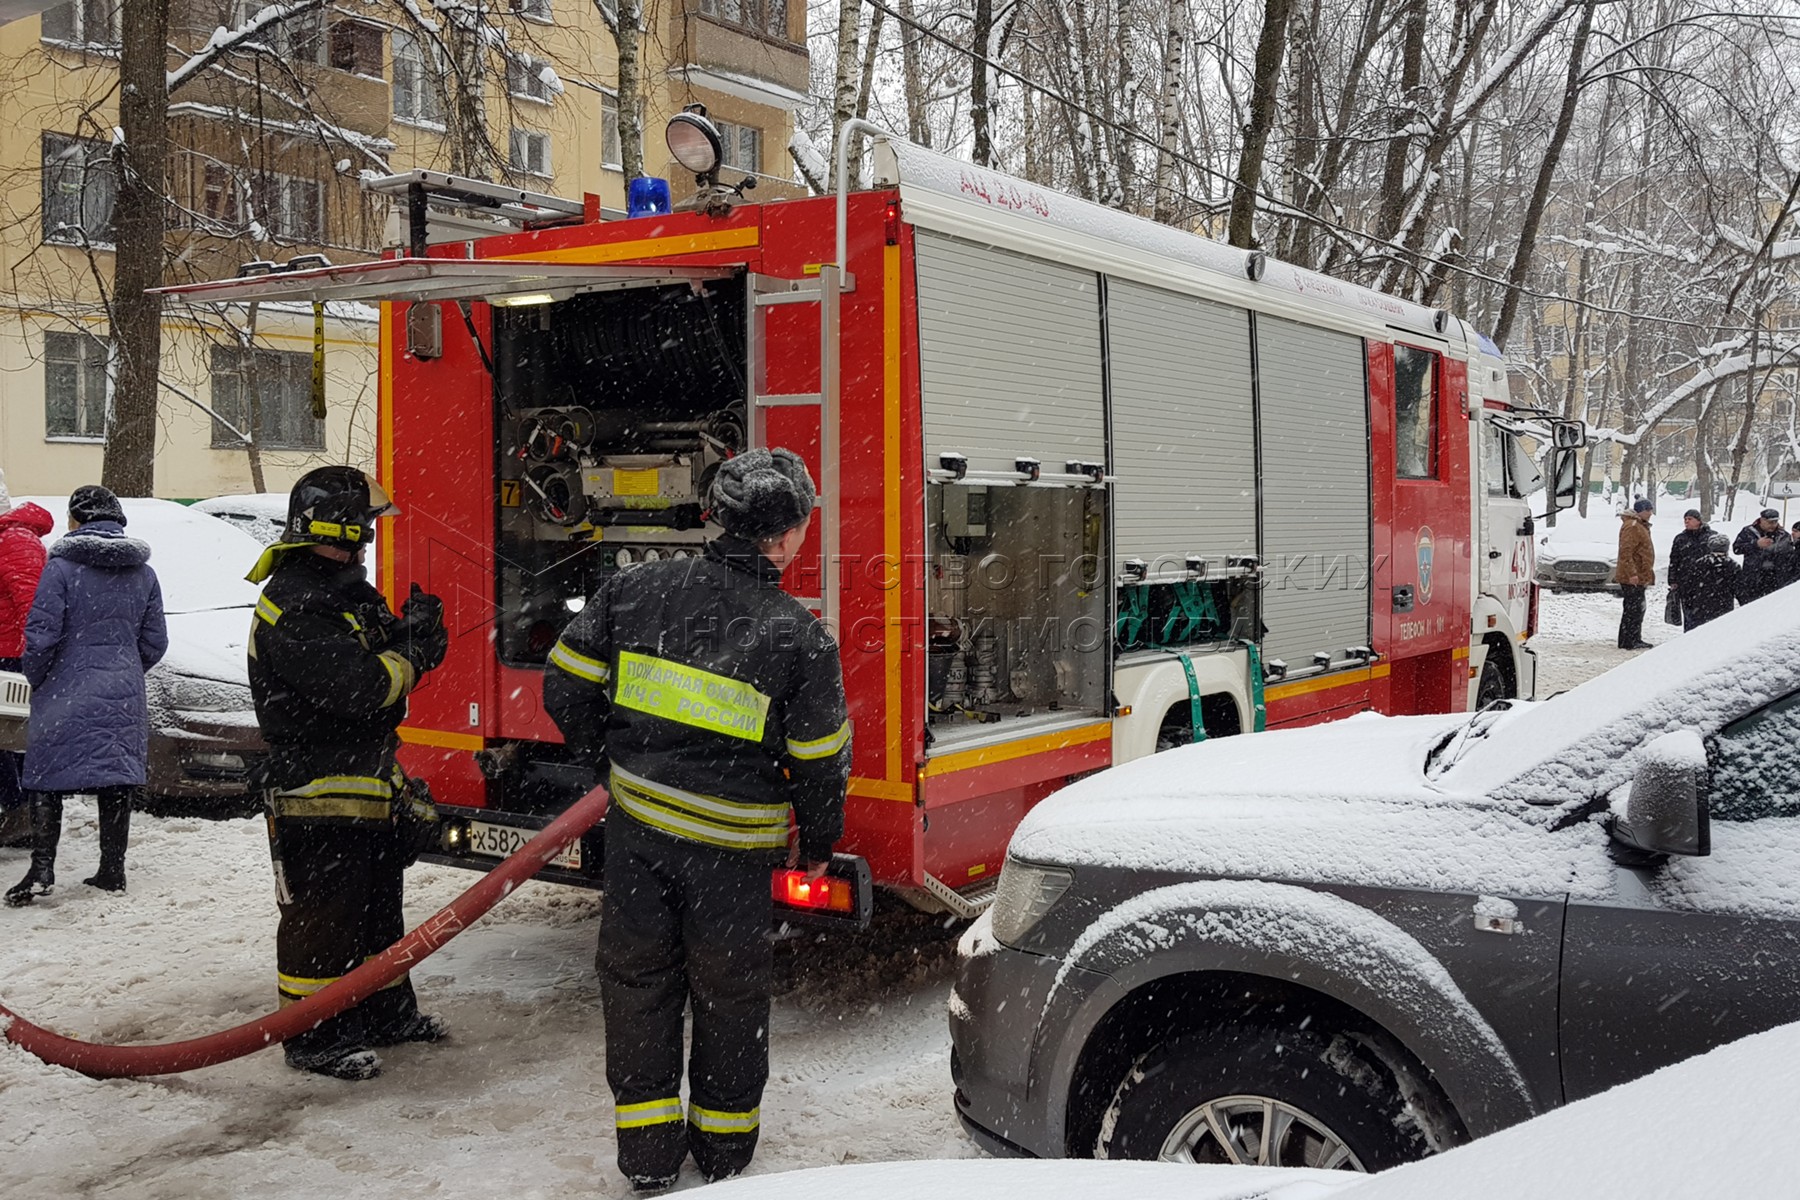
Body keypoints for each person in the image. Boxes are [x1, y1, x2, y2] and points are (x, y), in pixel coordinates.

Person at [545, 448, 850, 1191]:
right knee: (728, 994)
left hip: (639, 836)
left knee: (640, 985)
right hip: (730, 855)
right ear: (786, 537)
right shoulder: (799, 636)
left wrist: (608, 763)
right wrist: (819, 841)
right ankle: (724, 1157)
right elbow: (818, 758)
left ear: (718, 517)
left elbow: (564, 686)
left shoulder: (634, 589)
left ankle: (647, 1160)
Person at [246, 466, 449, 1080]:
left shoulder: (339, 590)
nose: (367, 539)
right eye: (362, 527)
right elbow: (362, 688)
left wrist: (409, 629)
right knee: (323, 918)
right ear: (340, 526)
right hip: (315, 788)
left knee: (377, 910)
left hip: (362, 782)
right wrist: (414, 655)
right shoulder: (297, 603)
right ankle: (313, 1037)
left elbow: (374, 645)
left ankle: (386, 1015)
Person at [6, 486, 167, 906]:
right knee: (116, 778)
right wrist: (125, 670)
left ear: (77, 520)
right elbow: (155, 641)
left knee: (46, 777)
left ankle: (42, 869)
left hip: (65, 687)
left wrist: (39, 677)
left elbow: (41, 636)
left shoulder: (60, 569)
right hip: (122, 689)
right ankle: (112, 869)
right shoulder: (144, 573)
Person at [0, 497, 54, 847]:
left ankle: (21, 809)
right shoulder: (14, 538)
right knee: (13, 737)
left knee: (9, 736)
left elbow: (30, 602)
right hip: (11, 651)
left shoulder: (15, 541)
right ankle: (24, 811)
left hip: (9, 655)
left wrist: (29, 651)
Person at [1615, 498, 1655, 651]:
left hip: (1639, 575)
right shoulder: (1633, 526)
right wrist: (1632, 573)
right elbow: (1626, 552)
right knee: (1633, 609)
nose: (1650, 514)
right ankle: (1628, 640)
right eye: (1648, 510)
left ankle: (1633, 638)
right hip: (1633, 577)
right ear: (1640, 511)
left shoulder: (1639, 525)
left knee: (1637, 608)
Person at [1666, 509, 1714, 632]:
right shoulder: (1680, 538)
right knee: (1689, 614)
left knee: (1706, 614)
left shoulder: (1711, 536)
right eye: (1685, 519)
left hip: (1707, 581)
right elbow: (1674, 560)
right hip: (1686, 582)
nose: (1687, 522)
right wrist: (1672, 580)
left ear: (1698, 521)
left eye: (1690, 519)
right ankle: (1689, 637)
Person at [1732, 509, 1793, 605]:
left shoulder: (1783, 535)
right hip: (1753, 578)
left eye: (1775, 522)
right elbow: (1736, 549)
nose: (1773, 525)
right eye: (1770, 522)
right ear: (1762, 520)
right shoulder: (1748, 532)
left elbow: (1789, 555)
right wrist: (1755, 544)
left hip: (1775, 579)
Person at [1683, 533, 1739, 629]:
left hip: (1700, 606)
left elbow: (1688, 586)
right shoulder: (1733, 566)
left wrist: (1688, 602)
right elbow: (1739, 589)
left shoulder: (1699, 563)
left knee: (1698, 632)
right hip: (1724, 605)